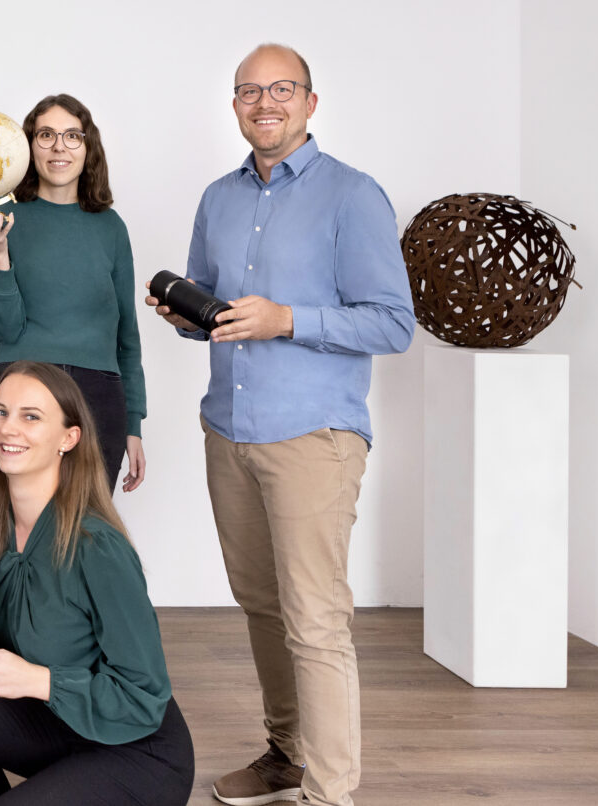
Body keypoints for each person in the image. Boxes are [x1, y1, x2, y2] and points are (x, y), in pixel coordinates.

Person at [145, 44, 414, 806]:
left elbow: (394, 324)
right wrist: (186, 315)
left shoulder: (353, 196)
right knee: (263, 606)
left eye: (282, 89)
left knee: (315, 621)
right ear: (234, 105)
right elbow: (215, 312)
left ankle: (330, 793)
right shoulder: (217, 199)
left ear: (310, 102)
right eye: (249, 92)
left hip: (313, 439)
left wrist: (287, 319)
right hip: (229, 431)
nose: (265, 103)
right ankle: (287, 756)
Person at [0, 362, 194, 806]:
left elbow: (143, 696)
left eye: (31, 416)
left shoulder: (97, 547)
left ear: (68, 438)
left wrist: (40, 680)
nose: (8, 428)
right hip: (56, 721)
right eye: (0, 412)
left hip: (138, 749)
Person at [0, 94, 147, 494]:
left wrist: (133, 423)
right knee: (22, 520)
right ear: (28, 146)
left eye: (72, 136)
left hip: (100, 395)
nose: (59, 147)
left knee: (89, 525)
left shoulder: (111, 227)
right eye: (46, 135)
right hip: (24, 386)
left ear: (88, 147)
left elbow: (127, 334)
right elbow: (7, 329)